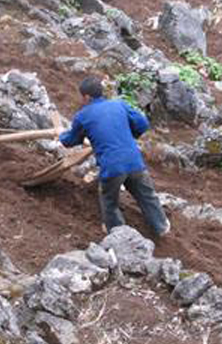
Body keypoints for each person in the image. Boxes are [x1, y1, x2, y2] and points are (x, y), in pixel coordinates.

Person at [59, 75, 171, 239]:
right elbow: (143, 124)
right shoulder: (119, 104)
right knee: (146, 195)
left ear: (87, 97)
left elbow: (70, 141)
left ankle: (118, 233)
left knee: (109, 200)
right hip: (134, 161)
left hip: (112, 167)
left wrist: (61, 136)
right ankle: (162, 227)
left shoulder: (83, 116)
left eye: (81, 97)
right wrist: (128, 136)